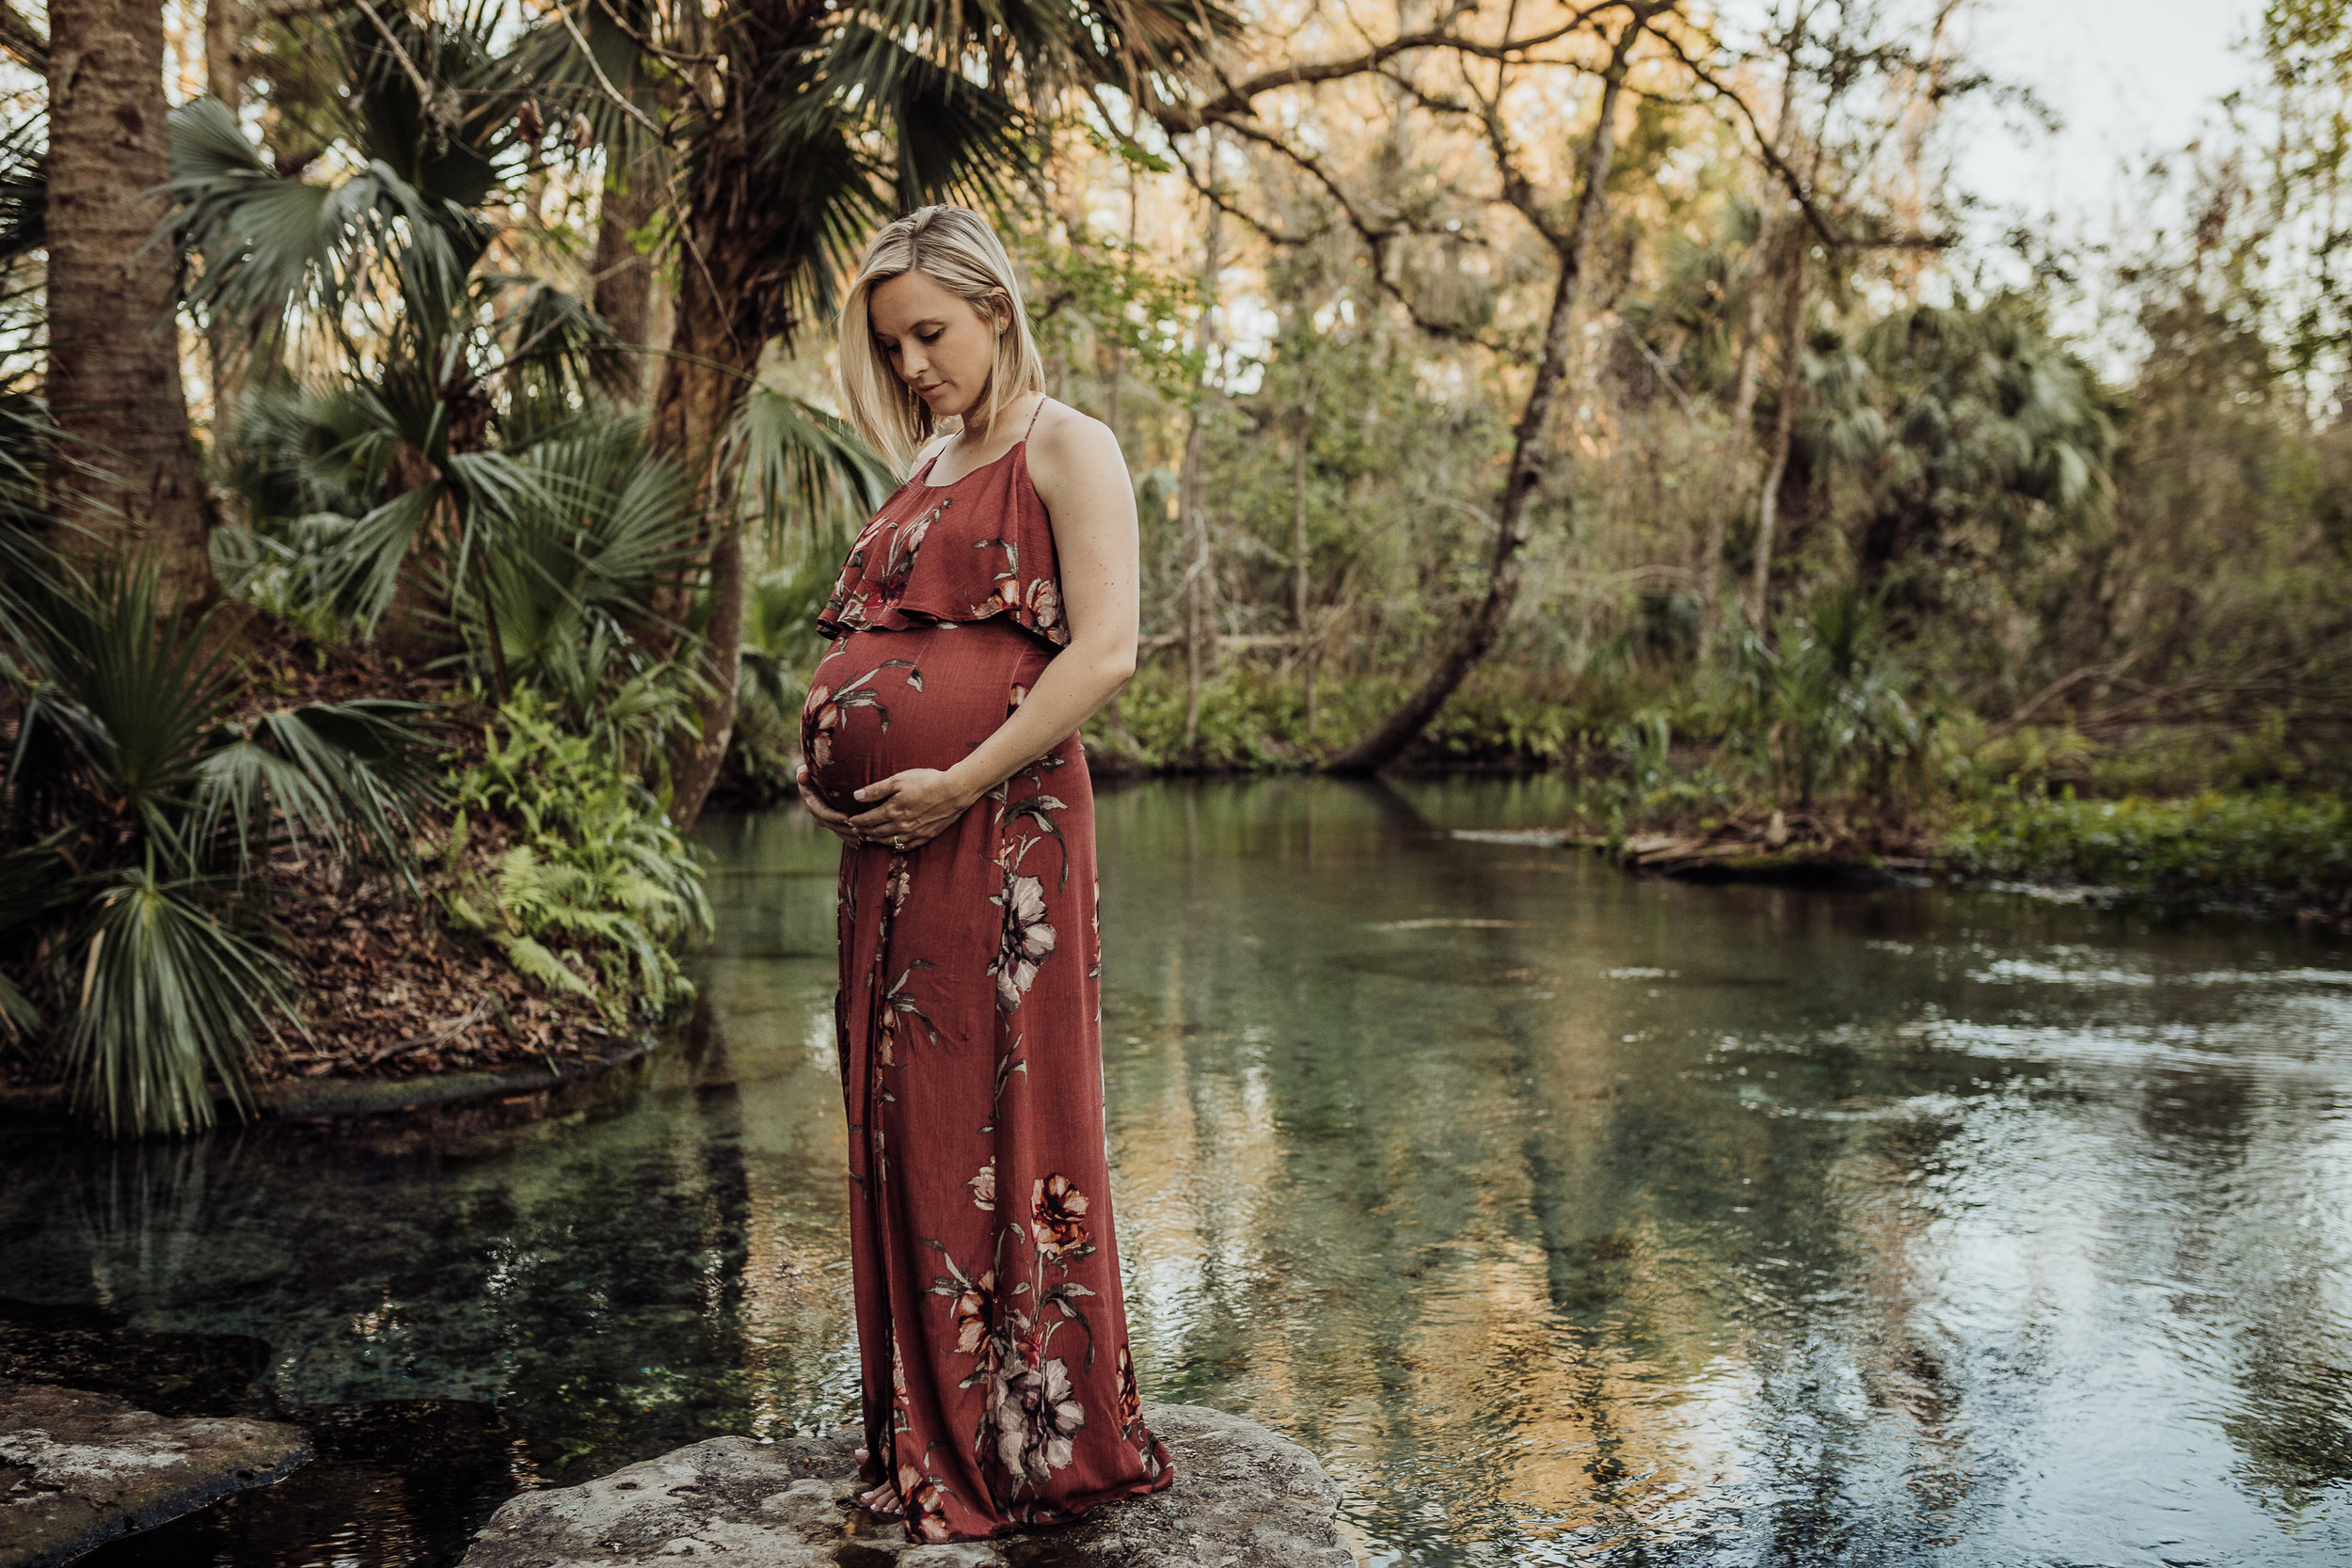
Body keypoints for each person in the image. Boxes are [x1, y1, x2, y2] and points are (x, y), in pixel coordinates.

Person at [792, 204, 1174, 1543]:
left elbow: (1110, 650)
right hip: (894, 855)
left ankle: (1022, 1440)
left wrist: (957, 776)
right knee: (905, 1119)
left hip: (1002, 833)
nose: (912, 366)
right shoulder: (930, 461)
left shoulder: (1071, 448)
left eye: (931, 336)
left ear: (997, 310)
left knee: (995, 1113)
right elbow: (873, 646)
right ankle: (921, 1420)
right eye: (894, 346)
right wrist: (823, 757)